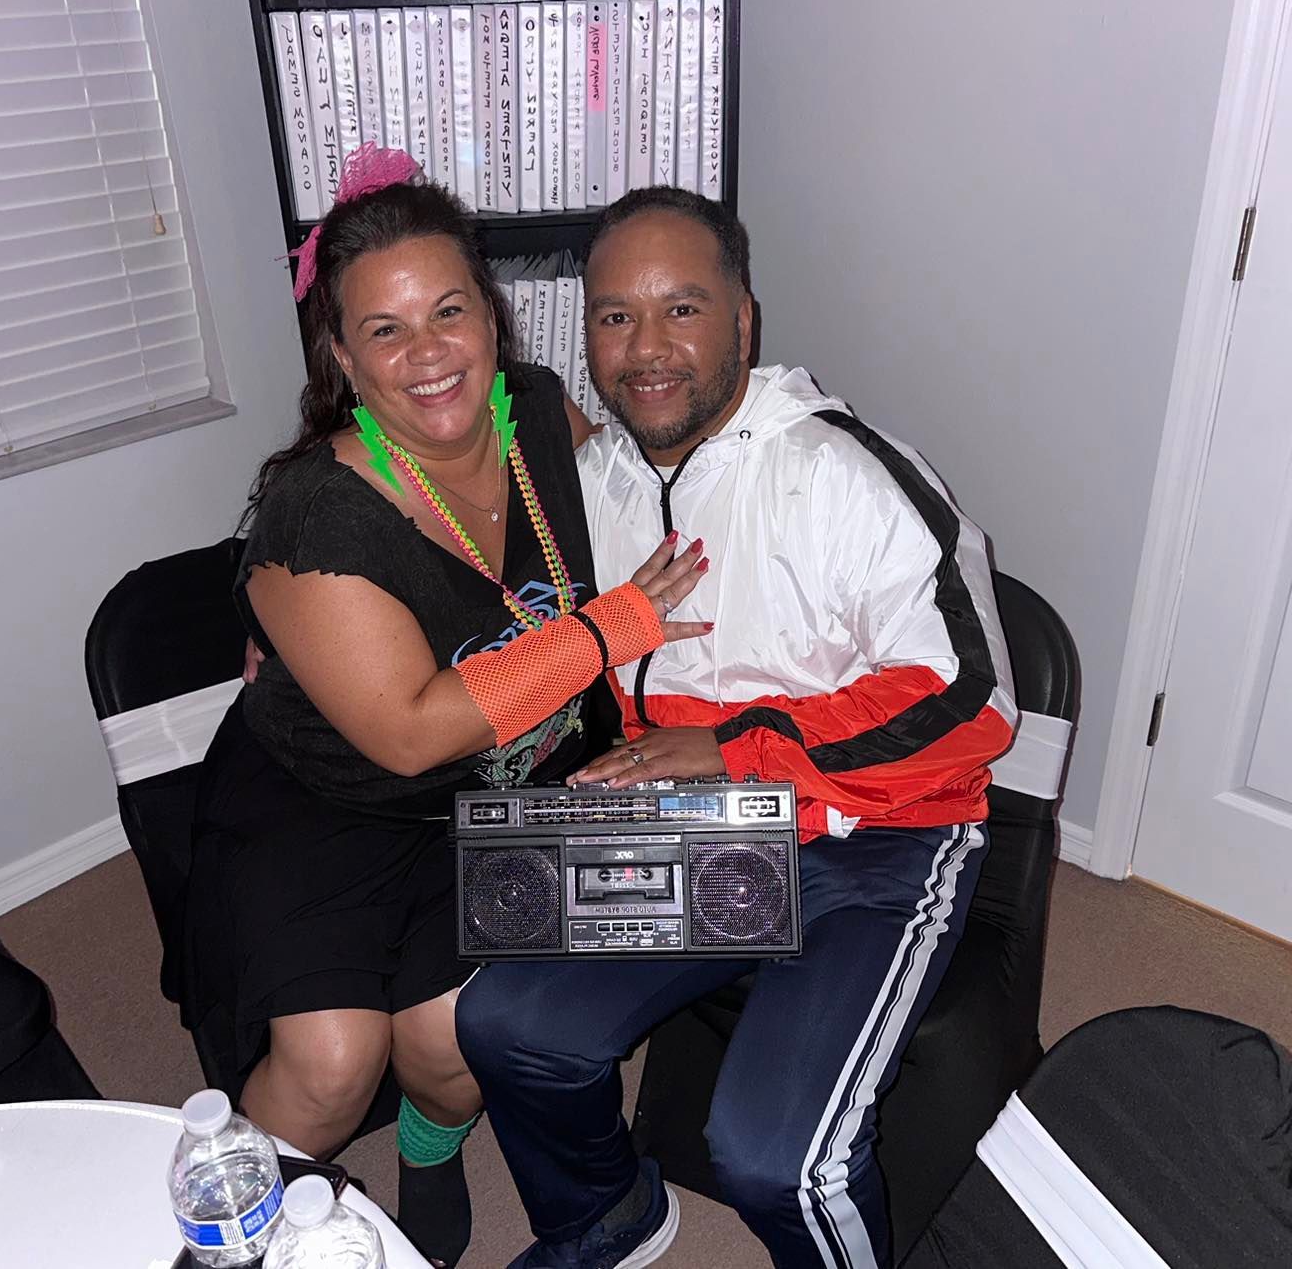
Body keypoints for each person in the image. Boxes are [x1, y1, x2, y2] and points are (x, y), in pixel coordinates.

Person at [455, 187, 1019, 1269]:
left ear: (744, 322)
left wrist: (737, 749)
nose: (646, 349)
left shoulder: (842, 472)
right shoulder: (591, 483)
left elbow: (974, 699)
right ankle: (604, 1214)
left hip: (878, 837)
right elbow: (489, 603)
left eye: (682, 308)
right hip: (697, 823)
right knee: (505, 1025)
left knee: (776, 1159)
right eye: (615, 316)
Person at [182, 152, 710, 1269]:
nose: (427, 352)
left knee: (450, 1044)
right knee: (330, 1067)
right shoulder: (317, 515)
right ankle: (231, 1235)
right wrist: (607, 630)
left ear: (492, 316)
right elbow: (410, 732)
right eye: (385, 329)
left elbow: (649, 498)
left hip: (505, 788)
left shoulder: (540, 413)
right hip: (336, 799)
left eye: (449, 311)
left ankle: (429, 1147)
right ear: (342, 356)